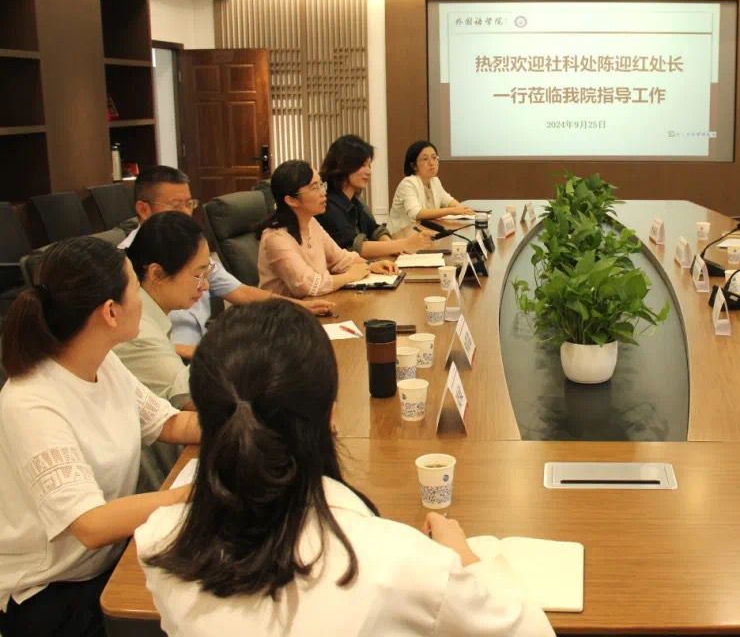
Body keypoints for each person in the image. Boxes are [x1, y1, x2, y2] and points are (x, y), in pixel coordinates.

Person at [134, 301, 555, 636]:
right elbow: (531, 631)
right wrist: (464, 558)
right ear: (332, 416)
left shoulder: (159, 542)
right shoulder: (401, 563)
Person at [0, 237, 200, 636]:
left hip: (110, 558)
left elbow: (170, 423)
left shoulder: (102, 362)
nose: (142, 300)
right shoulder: (31, 403)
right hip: (52, 591)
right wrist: (199, 491)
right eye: (136, 289)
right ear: (110, 311)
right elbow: (90, 525)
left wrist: (260, 422)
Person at [119, 166, 335, 360]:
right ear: (143, 209)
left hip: (203, 351)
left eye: (189, 204)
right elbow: (129, 344)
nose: (186, 213)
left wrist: (299, 306)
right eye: (176, 205)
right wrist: (203, 354)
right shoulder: (124, 266)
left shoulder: (193, 249)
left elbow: (241, 292)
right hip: (171, 360)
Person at [115, 212, 211, 490]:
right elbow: (197, 402)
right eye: (198, 274)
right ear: (156, 273)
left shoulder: (152, 316)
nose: (205, 285)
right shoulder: (137, 330)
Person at [258, 160, 397, 297]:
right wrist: (349, 276)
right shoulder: (275, 238)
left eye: (321, 185)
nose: (323, 192)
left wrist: (370, 266)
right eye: (314, 188)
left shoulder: (311, 222)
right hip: (284, 310)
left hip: (316, 303)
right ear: (291, 200)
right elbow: (307, 285)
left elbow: (339, 259)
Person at [317, 134, 433, 257]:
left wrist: (393, 247)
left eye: (369, 165)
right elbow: (356, 248)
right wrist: (404, 244)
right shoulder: (328, 204)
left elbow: (375, 230)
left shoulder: (354, 200)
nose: (369, 171)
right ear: (344, 165)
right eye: (362, 165)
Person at [387, 140, 475, 234]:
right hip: (399, 236)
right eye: (425, 159)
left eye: (434, 157)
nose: (432, 163)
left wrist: (464, 210)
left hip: (422, 234)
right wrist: (452, 211)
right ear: (414, 166)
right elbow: (416, 213)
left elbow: (449, 201)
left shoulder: (434, 181)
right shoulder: (408, 183)